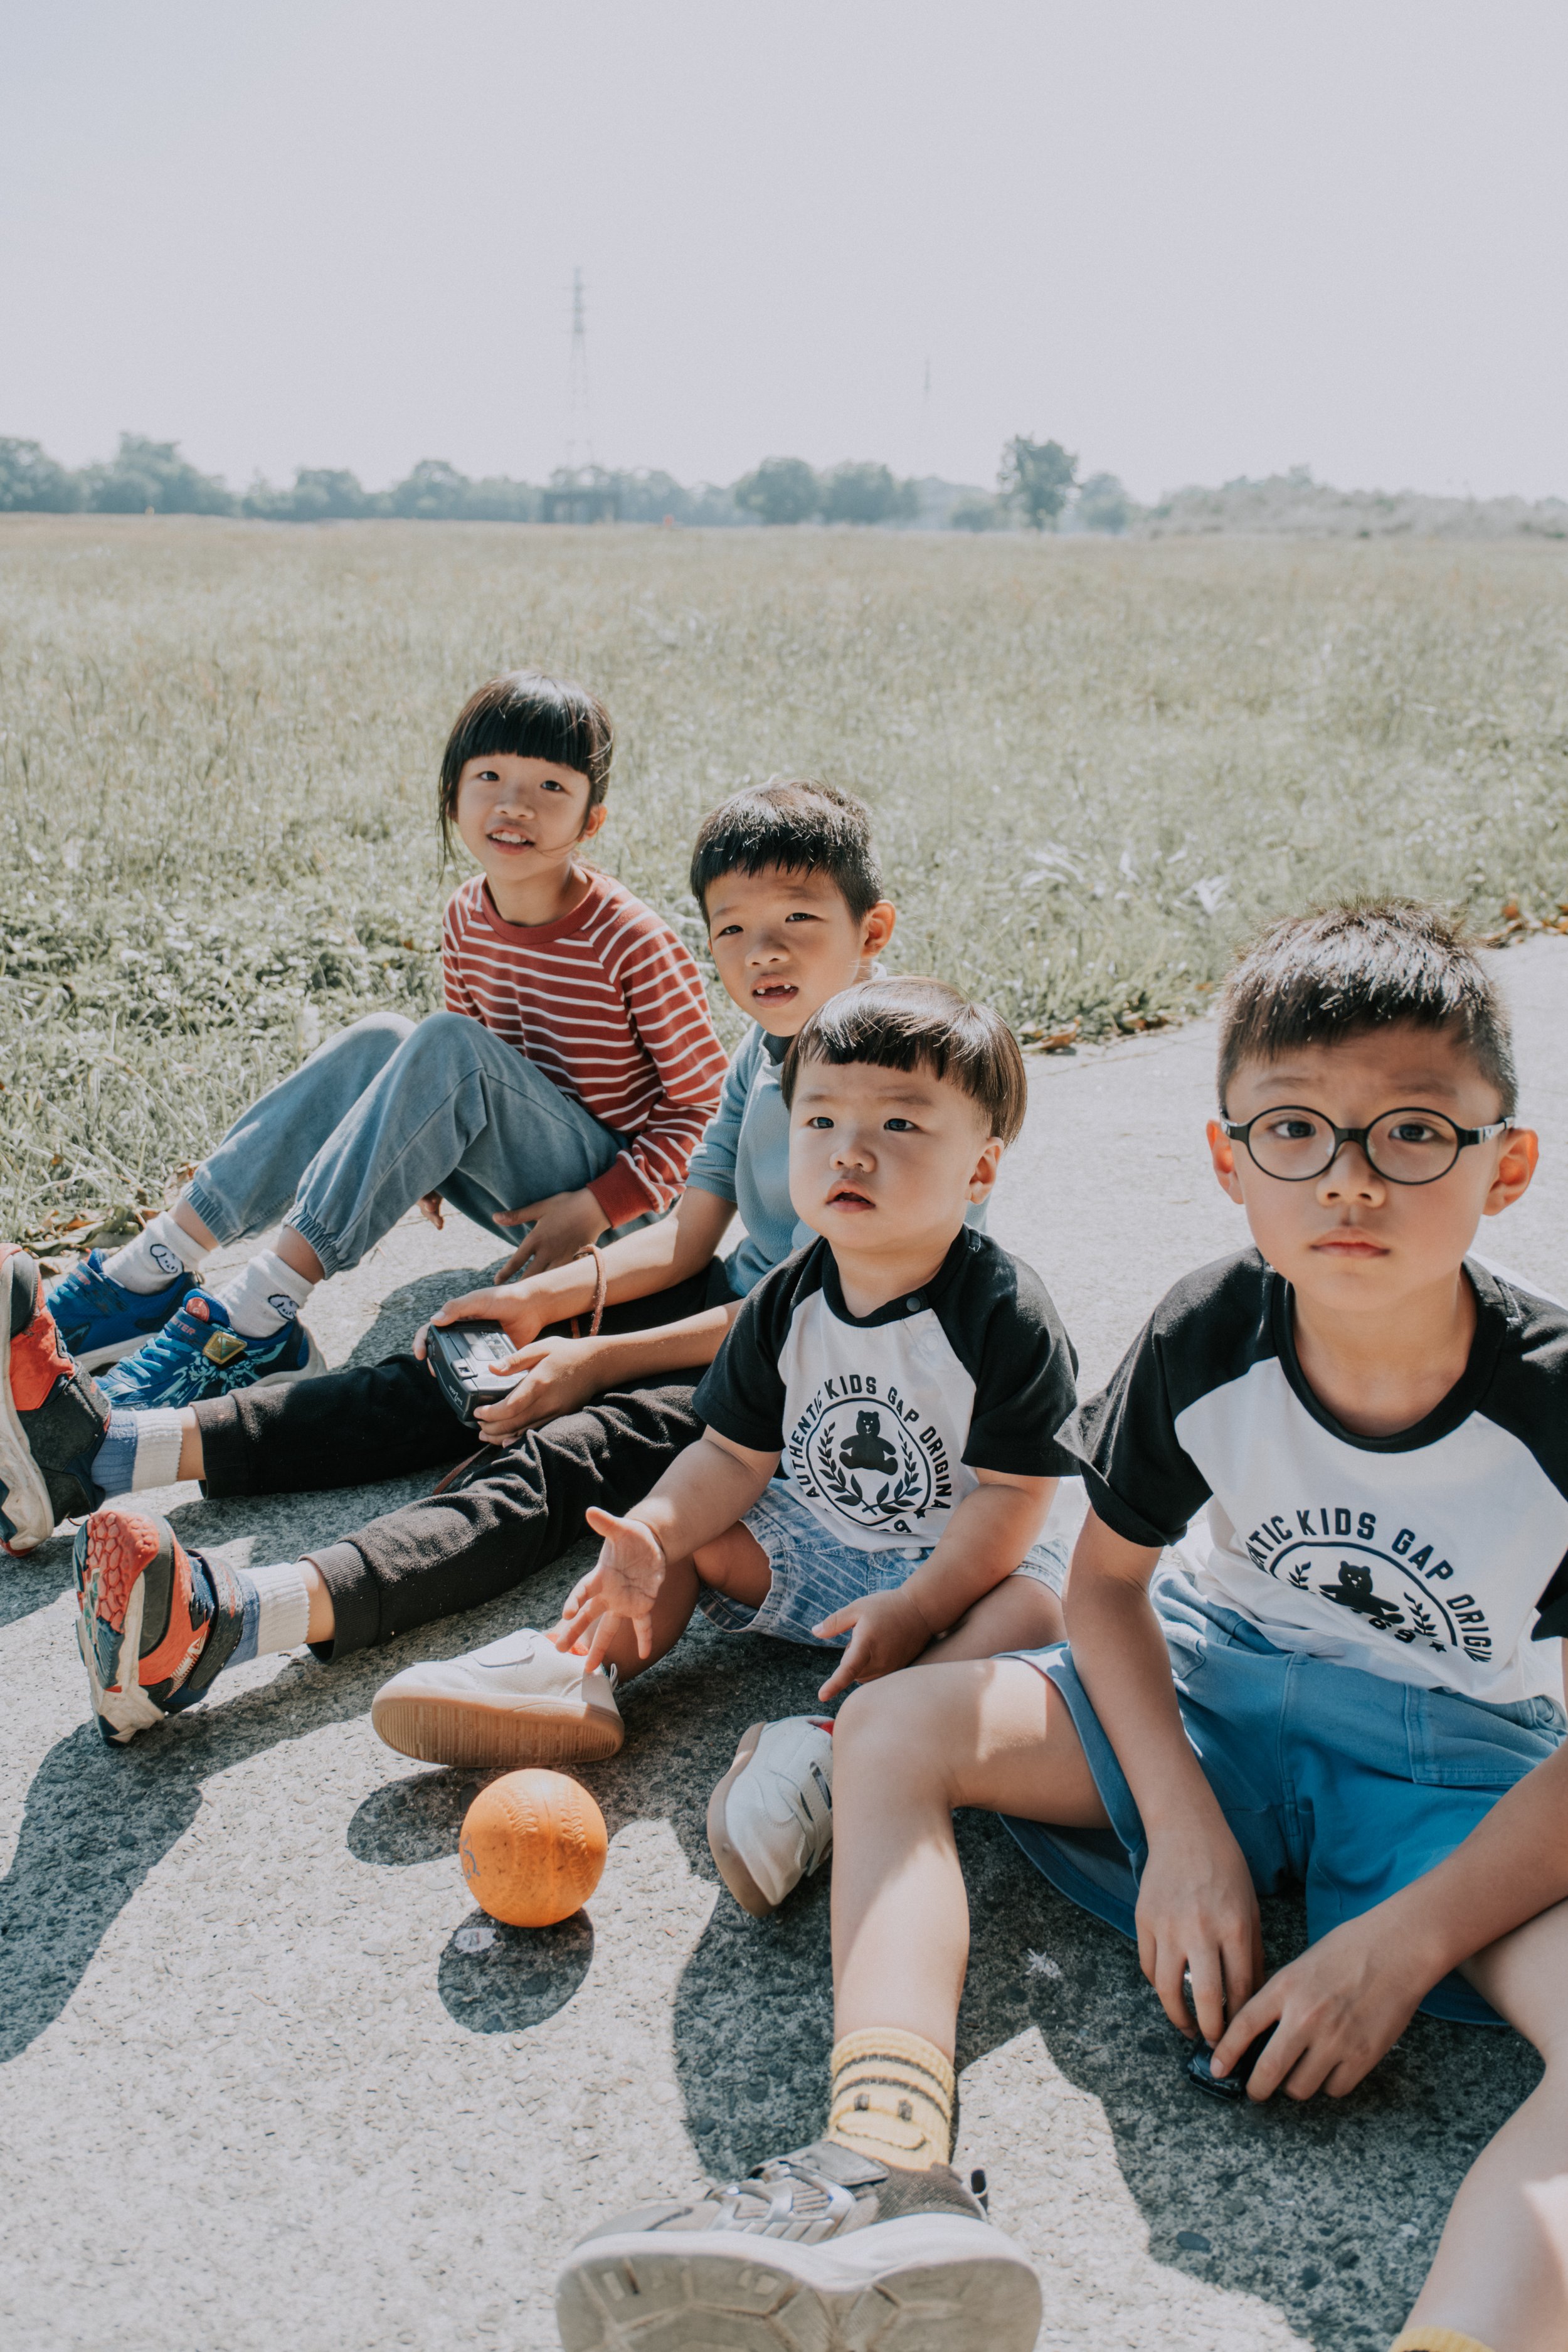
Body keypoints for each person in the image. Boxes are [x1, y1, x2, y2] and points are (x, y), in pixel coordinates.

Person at [554, 901, 1568, 2352]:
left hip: (1458, 1761)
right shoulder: (1211, 1326)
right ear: (1227, 1160)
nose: (1348, 1181)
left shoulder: (1554, 1401)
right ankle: (883, 2161)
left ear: (1506, 1163)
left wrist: (1403, 1943)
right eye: (1293, 1131)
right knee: (898, 1722)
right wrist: (1185, 1824)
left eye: (1413, 1133)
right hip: (1224, 1686)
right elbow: (1103, 1584)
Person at [6, 780, 902, 1748]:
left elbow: (820, 1311)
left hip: (809, 1379)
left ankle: (220, 1622)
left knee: (556, 1459)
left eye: (798, 919)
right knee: (457, 1368)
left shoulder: (902, 1079)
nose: (762, 951)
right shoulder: (759, 1055)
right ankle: (100, 1451)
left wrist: (594, 1365)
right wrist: (535, 1302)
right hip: (733, 1303)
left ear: (872, 929)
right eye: (732, 928)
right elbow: (690, 1239)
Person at [464, 977, 1078, 1915]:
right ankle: (585, 1668)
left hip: (955, 1569)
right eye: (821, 1121)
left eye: (902, 1126)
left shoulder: (1006, 1314)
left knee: (1042, 1609)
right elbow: (730, 1457)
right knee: (676, 1543)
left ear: (981, 1170)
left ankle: (834, 1741)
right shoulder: (787, 1297)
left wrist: (916, 1608)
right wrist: (655, 1530)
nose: (853, 1151)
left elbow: (1011, 1496)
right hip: (819, 1543)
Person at [48, 668, 728, 1407]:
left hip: (624, 1222)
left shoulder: (631, 939)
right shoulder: (467, 913)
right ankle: (152, 1268)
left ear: (591, 820)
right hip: (522, 1192)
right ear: (452, 797)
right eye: (490, 777)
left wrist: (600, 1205)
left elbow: (707, 1113)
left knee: (443, 1043)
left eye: (550, 788)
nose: (514, 805)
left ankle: (262, 1313)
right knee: (383, 1038)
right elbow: (473, 1065)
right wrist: (421, 1150)